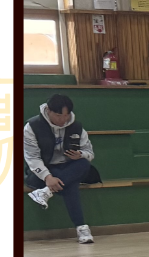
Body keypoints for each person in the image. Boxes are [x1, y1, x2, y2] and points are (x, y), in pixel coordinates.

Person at [23, 92, 101, 242]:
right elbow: (32, 158)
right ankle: (82, 228)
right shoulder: (32, 127)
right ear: (48, 111)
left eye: (66, 115)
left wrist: (80, 154)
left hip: (70, 167)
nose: (63, 120)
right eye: (59, 116)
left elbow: (90, 153)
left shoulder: (77, 127)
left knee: (84, 163)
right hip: (45, 170)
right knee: (71, 185)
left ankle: (45, 192)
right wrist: (47, 177)